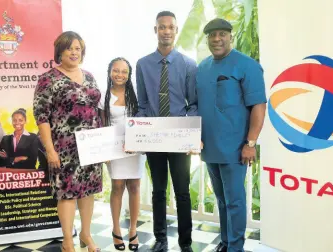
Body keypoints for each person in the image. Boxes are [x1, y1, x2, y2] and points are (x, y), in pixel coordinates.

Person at [196, 18, 267, 252]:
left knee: (235, 202)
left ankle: (236, 247)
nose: (217, 39)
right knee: (222, 201)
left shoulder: (247, 65)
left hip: (235, 148)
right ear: (207, 39)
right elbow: (197, 105)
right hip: (209, 147)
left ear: (230, 36)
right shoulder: (203, 68)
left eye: (221, 34)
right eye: (212, 35)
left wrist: (250, 143)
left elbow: (258, 105)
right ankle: (226, 243)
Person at [33, 31, 103, 252]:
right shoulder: (48, 79)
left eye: (78, 49)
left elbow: (96, 110)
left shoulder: (90, 76)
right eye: (69, 48)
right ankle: (68, 240)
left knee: (88, 191)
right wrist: (50, 150)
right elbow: (41, 117)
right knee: (67, 193)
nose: (74, 52)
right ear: (60, 51)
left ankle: (85, 234)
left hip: (91, 145)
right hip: (64, 148)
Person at [136, 11, 197, 252]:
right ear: (155, 30)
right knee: (158, 191)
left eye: (170, 27)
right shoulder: (143, 64)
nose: (166, 31)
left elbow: (192, 105)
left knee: (182, 192)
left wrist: (190, 135)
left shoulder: (188, 65)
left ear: (176, 30)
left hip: (179, 137)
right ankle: (161, 239)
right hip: (154, 137)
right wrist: (138, 134)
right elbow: (141, 105)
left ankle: (186, 242)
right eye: (162, 27)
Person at [99, 57, 143, 251]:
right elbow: (100, 125)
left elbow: (143, 121)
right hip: (113, 146)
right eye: (116, 70)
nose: (120, 75)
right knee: (117, 186)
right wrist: (103, 151)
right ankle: (116, 230)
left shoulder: (137, 95)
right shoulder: (103, 96)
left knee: (134, 185)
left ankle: (133, 230)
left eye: (124, 71)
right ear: (110, 72)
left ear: (129, 74)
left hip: (135, 147)